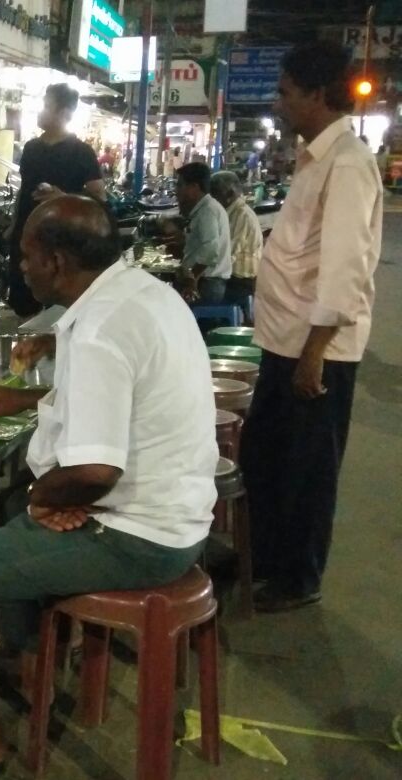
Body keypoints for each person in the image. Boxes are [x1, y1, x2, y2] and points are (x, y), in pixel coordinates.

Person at [0, 195, 217, 779]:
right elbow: (118, 402)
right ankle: (26, 659)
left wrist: (45, 500)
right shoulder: (144, 294)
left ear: (57, 262)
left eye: (26, 257)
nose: (22, 268)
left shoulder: (98, 330)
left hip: (137, 536)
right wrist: (31, 400)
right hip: (178, 512)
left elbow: (95, 472)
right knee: (13, 501)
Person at [241, 41, 382, 612]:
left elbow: (346, 266)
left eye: (285, 92)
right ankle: (264, 559)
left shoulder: (347, 163)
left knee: (307, 470)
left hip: (315, 349)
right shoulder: (314, 158)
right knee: (266, 457)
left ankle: (299, 577)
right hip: (285, 341)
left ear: (317, 94)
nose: (278, 103)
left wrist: (315, 352)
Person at [7, 83, 104, 317]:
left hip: (63, 243)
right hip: (28, 237)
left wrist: (65, 198)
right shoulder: (31, 148)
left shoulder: (81, 152)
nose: (40, 111)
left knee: (61, 308)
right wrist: (13, 225)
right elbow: (24, 190)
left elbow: (99, 198)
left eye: (46, 106)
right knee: (25, 305)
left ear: (64, 113)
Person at [175, 162, 232, 305]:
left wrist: (191, 280)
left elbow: (210, 251)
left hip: (208, 285)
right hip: (206, 281)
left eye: (180, 185)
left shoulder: (208, 211)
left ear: (194, 187)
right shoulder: (203, 209)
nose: (176, 191)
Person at [210, 170, 263, 316]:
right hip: (233, 278)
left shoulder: (241, 215)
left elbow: (227, 254)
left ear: (229, 194)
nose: (212, 198)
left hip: (240, 282)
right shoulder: (230, 213)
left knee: (194, 293)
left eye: (215, 193)